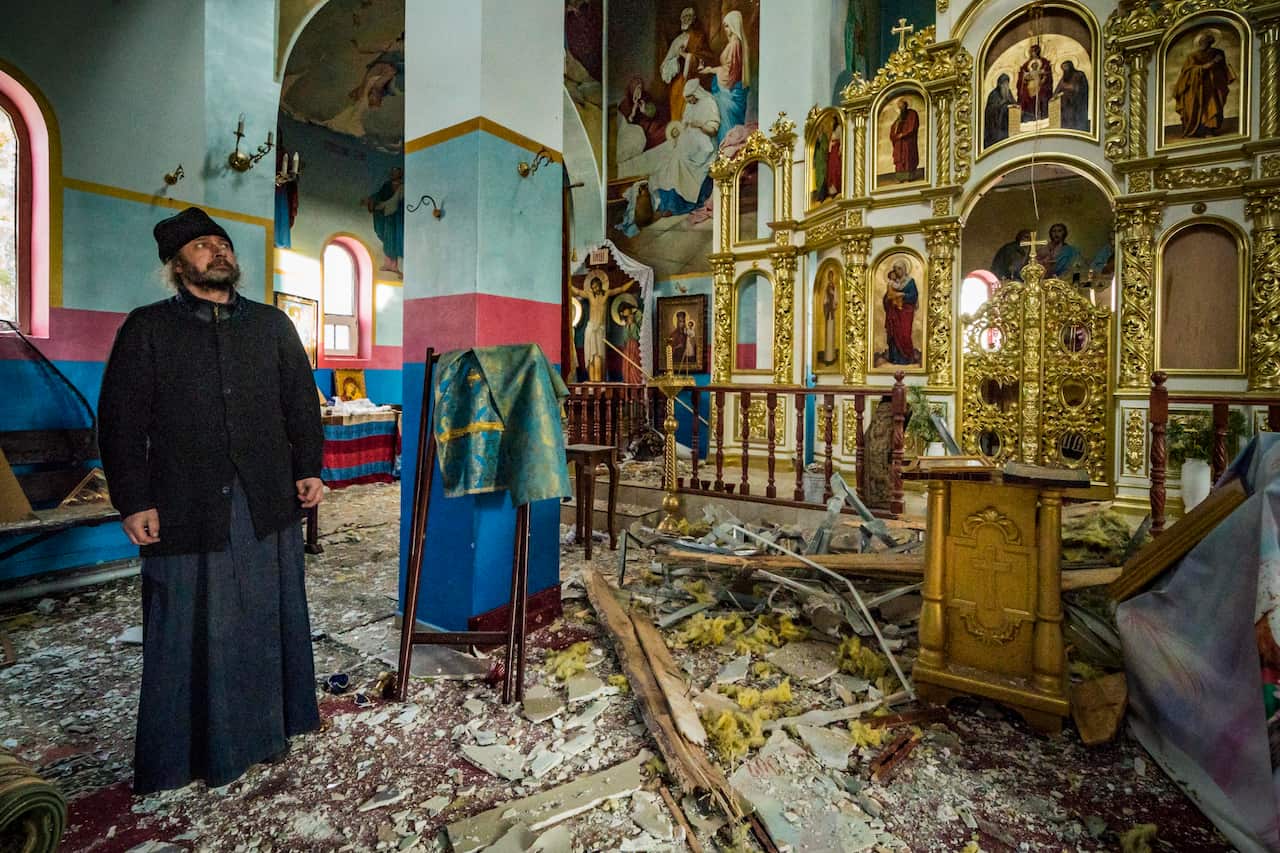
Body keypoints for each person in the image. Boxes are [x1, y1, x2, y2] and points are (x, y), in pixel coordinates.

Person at [98, 207, 324, 795]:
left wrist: (309, 469)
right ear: (176, 265)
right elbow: (121, 422)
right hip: (184, 503)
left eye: (222, 243)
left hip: (265, 496)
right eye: (202, 246)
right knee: (188, 625)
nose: (217, 251)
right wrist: (132, 500)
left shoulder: (273, 326)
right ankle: (188, 754)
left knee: (266, 613)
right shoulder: (147, 328)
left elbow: (301, 402)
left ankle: (273, 729)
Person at [650, 79, 721, 216]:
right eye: (687, 100)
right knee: (669, 157)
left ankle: (679, 205)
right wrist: (679, 133)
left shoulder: (709, 103)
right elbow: (684, 124)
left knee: (679, 160)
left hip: (705, 145)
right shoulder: (689, 105)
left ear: (697, 93)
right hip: (690, 141)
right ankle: (667, 204)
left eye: (691, 98)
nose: (689, 102)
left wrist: (699, 124)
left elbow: (713, 130)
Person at [699, 9, 750, 148]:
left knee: (726, 126)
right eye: (725, 26)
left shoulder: (735, 45)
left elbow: (730, 74)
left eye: (727, 26)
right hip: (728, 89)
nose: (726, 29)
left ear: (734, 25)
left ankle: (725, 156)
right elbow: (728, 68)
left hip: (729, 94)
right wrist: (712, 70)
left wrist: (712, 70)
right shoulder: (734, 43)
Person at [1172, 30, 1237, 138]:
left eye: (1206, 41)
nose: (1203, 43)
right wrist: (1210, 64)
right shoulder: (1192, 56)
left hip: (1213, 86)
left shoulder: (1218, 53)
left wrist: (1217, 69)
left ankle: (1209, 130)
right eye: (1201, 41)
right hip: (1196, 87)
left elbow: (1223, 68)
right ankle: (1195, 130)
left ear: (1211, 42)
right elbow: (1188, 71)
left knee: (1213, 106)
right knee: (1195, 107)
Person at [571, 271, 630, 382]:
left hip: (600, 329)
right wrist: (568, 283)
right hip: (590, 328)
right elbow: (577, 292)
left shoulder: (606, 294)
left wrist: (634, 280)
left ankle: (598, 381)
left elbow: (621, 289)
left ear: (600, 285)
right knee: (591, 357)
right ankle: (592, 381)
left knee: (599, 357)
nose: (595, 289)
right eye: (593, 287)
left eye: (596, 287)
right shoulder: (589, 294)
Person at [659, 7, 712, 122]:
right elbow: (664, 65)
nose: (685, 19)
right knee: (677, 117)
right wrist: (674, 62)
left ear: (693, 19)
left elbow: (706, 59)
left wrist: (685, 55)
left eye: (689, 16)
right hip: (678, 84)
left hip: (694, 82)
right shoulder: (677, 41)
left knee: (691, 117)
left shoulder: (699, 37)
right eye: (683, 17)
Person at [364, 166, 404, 274]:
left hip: (398, 218)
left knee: (394, 240)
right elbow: (379, 195)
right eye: (393, 172)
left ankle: (394, 265)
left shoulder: (403, 187)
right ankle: (387, 264)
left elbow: (401, 201)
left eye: (396, 172)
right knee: (387, 238)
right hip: (387, 216)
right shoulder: (386, 185)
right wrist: (371, 199)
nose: (394, 174)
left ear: (400, 174)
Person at [618, 75, 667, 156]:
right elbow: (624, 123)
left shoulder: (645, 96)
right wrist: (632, 114)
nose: (639, 91)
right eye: (637, 89)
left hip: (647, 122)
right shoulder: (625, 103)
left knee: (659, 126)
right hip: (635, 128)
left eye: (640, 88)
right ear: (632, 89)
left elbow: (653, 112)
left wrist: (645, 111)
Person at [882, 260, 919, 365]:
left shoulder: (910, 282)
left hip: (906, 312)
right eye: (895, 269)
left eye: (898, 269)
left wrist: (902, 295)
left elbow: (913, 296)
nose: (897, 271)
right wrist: (889, 299)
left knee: (904, 334)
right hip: (894, 312)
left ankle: (907, 357)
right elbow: (888, 296)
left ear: (903, 269)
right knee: (894, 334)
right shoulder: (893, 283)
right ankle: (895, 358)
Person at [1017, 43, 1053, 120]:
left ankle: (1042, 116)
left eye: (1034, 51)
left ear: (1038, 51)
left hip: (1040, 86)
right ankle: (1028, 117)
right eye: (1031, 51)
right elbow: (1022, 76)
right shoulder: (1026, 65)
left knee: (1042, 97)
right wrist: (1025, 79)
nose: (1032, 53)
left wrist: (1043, 79)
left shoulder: (1044, 62)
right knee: (1025, 98)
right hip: (1029, 87)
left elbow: (1046, 73)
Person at [889, 98, 920, 182]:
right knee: (899, 158)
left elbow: (913, 126)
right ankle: (900, 178)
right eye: (899, 107)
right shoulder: (899, 118)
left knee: (908, 158)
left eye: (902, 106)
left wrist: (903, 134)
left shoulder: (912, 113)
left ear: (906, 105)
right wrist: (895, 136)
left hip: (908, 141)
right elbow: (893, 128)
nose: (900, 108)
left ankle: (909, 177)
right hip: (899, 143)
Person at [1054, 60, 1089, 130]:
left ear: (1071, 66)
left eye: (1066, 67)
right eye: (1063, 68)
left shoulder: (1079, 74)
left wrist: (1072, 88)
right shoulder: (1064, 79)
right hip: (1066, 103)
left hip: (1077, 101)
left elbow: (1083, 87)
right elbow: (1057, 90)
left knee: (1075, 116)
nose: (1065, 69)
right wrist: (1054, 96)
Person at [984, 73, 1018, 147]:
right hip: (996, 123)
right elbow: (990, 110)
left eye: (1007, 83)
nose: (1006, 86)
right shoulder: (993, 94)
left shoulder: (1008, 92)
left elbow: (1013, 102)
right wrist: (1001, 104)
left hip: (1008, 118)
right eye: (1004, 83)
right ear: (1000, 84)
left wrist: (1015, 105)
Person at [618, 301, 644, 384]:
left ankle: (636, 386)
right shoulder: (626, 319)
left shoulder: (638, 315)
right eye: (622, 314)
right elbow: (625, 338)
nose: (623, 314)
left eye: (623, 312)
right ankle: (629, 388)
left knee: (635, 366)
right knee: (627, 367)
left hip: (636, 346)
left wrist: (632, 323)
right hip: (628, 348)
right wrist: (628, 324)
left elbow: (637, 336)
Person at [819, 266, 839, 366]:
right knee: (828, 333)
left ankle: (832, 356)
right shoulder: (827, 286)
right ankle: (827, 356)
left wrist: (834, 304)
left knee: (832, 333)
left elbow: (836, 298)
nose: (830, 278)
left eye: (832, 276)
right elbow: (825, 299)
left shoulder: (834, 286)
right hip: (828, 312)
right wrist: (826, 305)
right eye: (829, 276)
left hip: (832, 313)